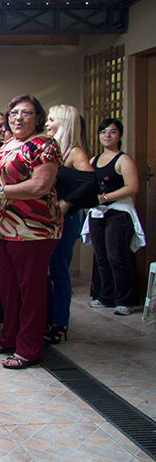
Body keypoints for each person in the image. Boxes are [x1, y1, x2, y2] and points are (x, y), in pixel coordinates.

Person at [0, 94, 62, 370]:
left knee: (31, 291)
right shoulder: (8, 144)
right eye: (14, 113)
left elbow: (40, 186)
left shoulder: (44, 145)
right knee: (7, 289)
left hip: (34, 228)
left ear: (38, 118)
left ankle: (28, 349)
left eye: (26, 113)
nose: (18, 118)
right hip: (4, 228)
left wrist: (1, 192)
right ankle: (8, 337)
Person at [42, 105, 94, 341]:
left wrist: (66, 202)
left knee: (58, 269)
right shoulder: (50, 149)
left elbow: (90, 183)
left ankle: (60, 323)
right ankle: (48, 317)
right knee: (44, 269)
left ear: (64, 123)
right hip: (47, 218)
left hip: (68, 218)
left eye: (52, 119)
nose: (47, 123)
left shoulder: (75, 152)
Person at [85, 118, 144, 316]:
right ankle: (106, 296)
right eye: (103, 132)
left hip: (118, 212)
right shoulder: (93, 160)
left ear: (119, 135)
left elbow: (132, 187)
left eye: (112, 132)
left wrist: (106, 197)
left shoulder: (124, 160)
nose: (107, 135)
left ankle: (125, 300)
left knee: (116, 256)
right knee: (101, 257)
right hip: (97, 213)